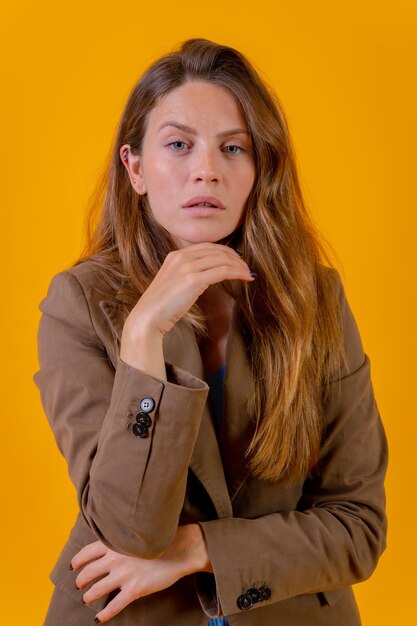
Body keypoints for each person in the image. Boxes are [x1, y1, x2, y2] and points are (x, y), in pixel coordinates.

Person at [34, 38, 388, 625]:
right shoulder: (78, 303)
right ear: (136, 168)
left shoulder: (316, 299)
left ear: (259, 170)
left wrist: (199, 552)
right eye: (178, 145)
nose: (207, 170)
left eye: (233, 148)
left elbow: (358, 527)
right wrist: (143, 336)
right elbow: (128, 530)